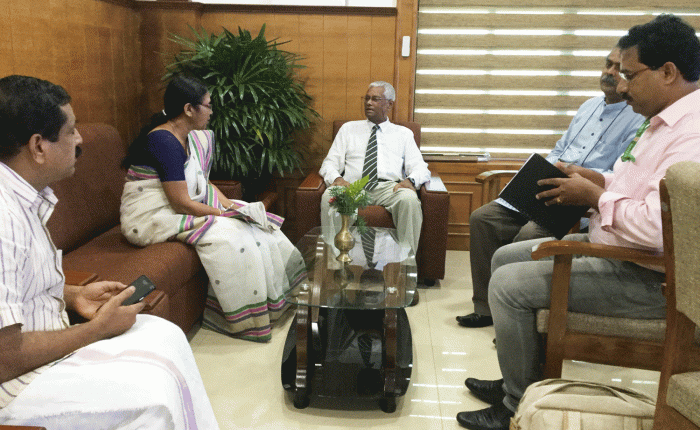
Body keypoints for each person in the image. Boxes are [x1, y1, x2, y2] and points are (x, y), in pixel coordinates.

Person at [456, 14, 700, 430]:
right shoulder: (659, 121)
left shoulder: (691, 135)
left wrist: (594, 197)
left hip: (651, 279)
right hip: (620, 252)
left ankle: (514, 405)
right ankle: (522, 381)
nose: (622, 86)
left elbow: (658, 230)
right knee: (504, 257)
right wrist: (597, 180)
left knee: (508, 284)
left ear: (667, 72)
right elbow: (636, 190)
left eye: (630, 75)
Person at [0, 75, 219, 428]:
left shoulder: (25, 198)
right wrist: (97, 330)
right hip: (17, 386)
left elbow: (19, 285)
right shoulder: (4, 219)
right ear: (38, 146)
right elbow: (5, 358)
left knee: (164, 335)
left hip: (42, 344)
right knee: (152, 400)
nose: (79, 139)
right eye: (71, 130)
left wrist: (74, 295)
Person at [457, 44, 646, 329]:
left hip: (579, 198)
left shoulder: (638, 117)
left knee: (530, 233)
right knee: (483, 218)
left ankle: (520, 318)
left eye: (618, 68)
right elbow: (560, 148)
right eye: (607, 64)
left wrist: (576, 176)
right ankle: (486, 308)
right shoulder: (588, 106)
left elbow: (620, 175)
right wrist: (541, 171)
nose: (610, 72)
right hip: (547, 185)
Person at [120, 75, 304, 343]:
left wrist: (230, 205)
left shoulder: (189, 137)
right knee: (233, 234)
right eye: (208, 105)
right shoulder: (164, 141)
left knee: (258, 222)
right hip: (150, 216)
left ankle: (283, 300)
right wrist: (223, 214)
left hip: (175, 207)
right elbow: (180, 202)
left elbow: (202, 183)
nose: (211, 112)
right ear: (188, 109)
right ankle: (245, 320)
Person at [319, 81, 431, 253]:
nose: (369, 103)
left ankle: (404, 263)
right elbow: (329, 163)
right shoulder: (348, 129)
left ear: (389, 104)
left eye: (375, 99)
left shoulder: (403, 134)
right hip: (353, 186)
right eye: (367, 98)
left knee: (409, 200)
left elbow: (420, 167)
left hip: (389, 188)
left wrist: (411, 181)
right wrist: (337, 178)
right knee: (331, 196)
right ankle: (335, 261)